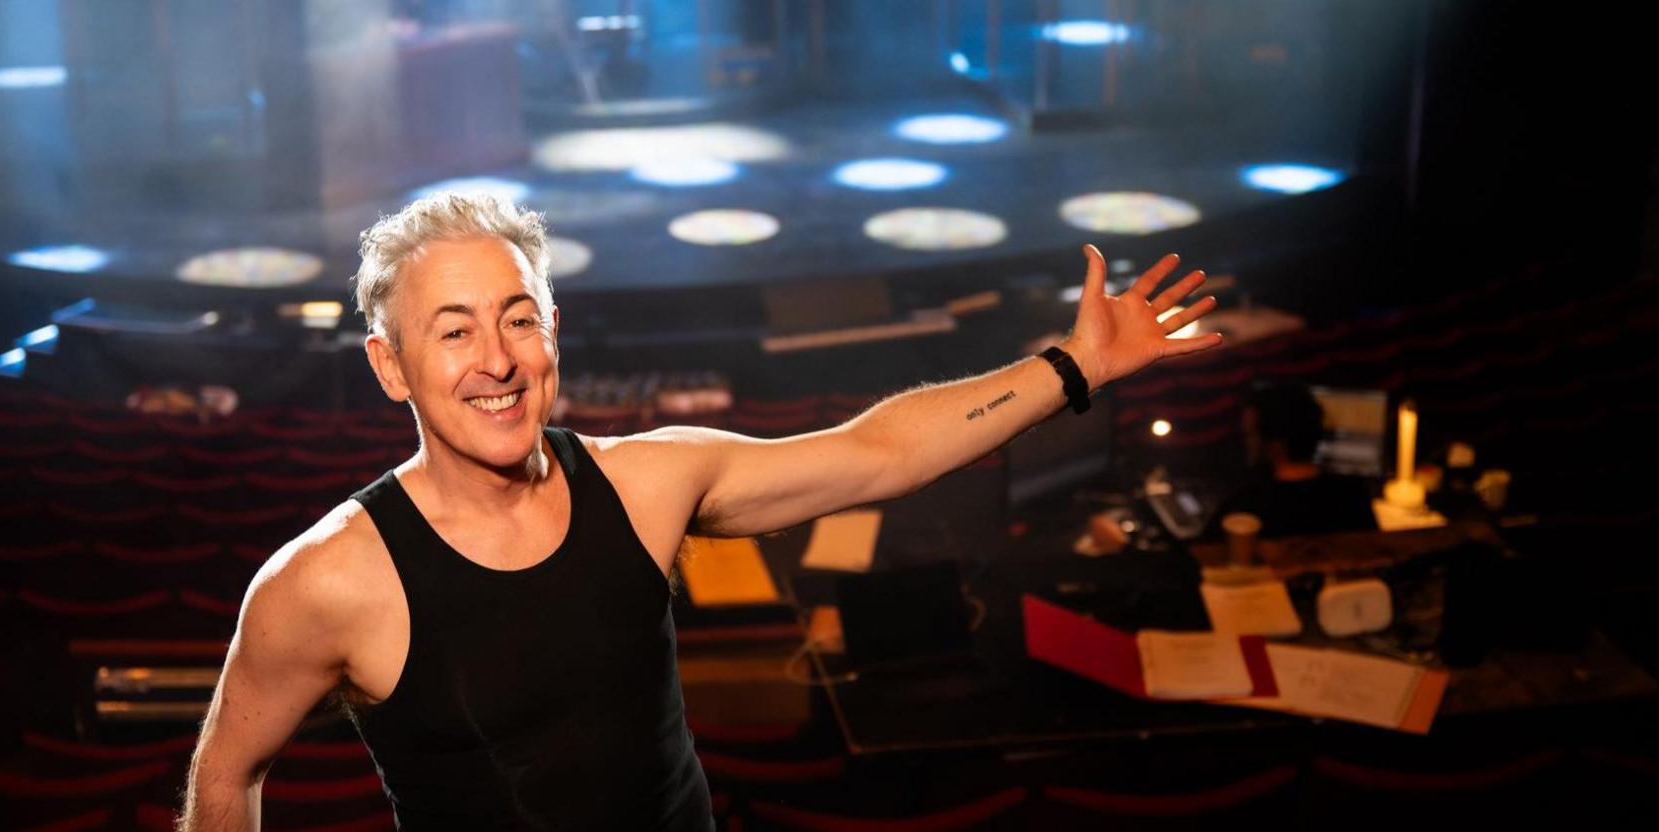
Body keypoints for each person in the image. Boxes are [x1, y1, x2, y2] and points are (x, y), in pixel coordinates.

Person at [177, 192, 1221, 830]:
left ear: (553, 332)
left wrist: (1076, 363)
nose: (496, 358)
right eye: (452, 331)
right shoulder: (323, 580)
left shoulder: (646, 481)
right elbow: (227, 772)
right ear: (390, 366)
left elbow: (880, 451)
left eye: (518, 318)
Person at [1218, 381, 1379, 538]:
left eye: (1251, 434)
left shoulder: (1244, 507)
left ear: (1276, 444)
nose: (1247, 442)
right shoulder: (1353, 496)